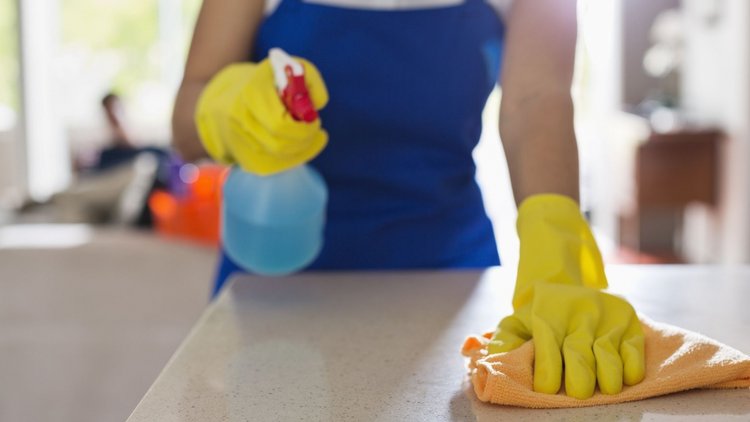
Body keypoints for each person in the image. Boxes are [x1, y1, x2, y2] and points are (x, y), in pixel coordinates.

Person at [172, 0, 646, 399]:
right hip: (274, 271)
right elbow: (184, 123)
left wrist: (556, 244)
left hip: (450, 274)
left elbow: (536, 98)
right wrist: (226, 107)